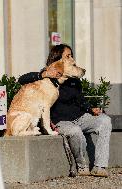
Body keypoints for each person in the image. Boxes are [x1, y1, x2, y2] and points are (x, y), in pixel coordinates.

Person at [18, 44, 112, 177]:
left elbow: (80, 100)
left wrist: (90, 109)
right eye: (67, 56)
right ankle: (82, 165)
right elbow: (22, 79)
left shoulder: (73, 78)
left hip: (80, 118)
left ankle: (99, 166)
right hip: (61, 121)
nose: (71, 58)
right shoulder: (48, 76)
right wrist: (44, 74)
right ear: (58, 58)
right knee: (75, 131)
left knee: (105, 121)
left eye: (71, 55)